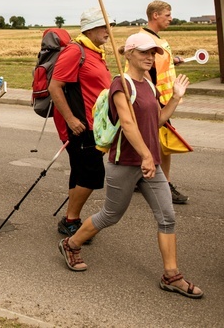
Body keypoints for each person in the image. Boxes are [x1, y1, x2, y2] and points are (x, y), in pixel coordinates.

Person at [58, 32, 203, 299]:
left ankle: (171, 275)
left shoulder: (148, 83)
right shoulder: (120, 85)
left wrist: (175, 98)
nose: (150, 57)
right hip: (125, 163)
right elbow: (127, 124)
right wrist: (146, 156)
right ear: (129, 54)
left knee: (167, 217)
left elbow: (157, 120)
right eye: (145, 52)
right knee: (111, 215)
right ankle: (71, 243)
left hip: (150, 163)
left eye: (153, 53)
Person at [49, 7, 112, 238]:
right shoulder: (75, 51)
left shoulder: (96, 52)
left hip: (96, 125)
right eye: (105, 26)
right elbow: (55, 86)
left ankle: (70, 219)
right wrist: (71, 119)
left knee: (80, 171)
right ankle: (71, 219)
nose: (109, 30)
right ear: (91, 28)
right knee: (93, 175)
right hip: (81, 126)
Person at [141, 0, 189, 204]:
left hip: (164, 100)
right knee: (164, 145)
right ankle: (164, 185)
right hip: (157, 102)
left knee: (155, 143)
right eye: (168, 15)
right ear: (155, 16)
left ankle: (142, 177)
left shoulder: (156, 39)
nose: (171, 18)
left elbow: (158, 65)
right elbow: (144, 71)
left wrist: (173, 60)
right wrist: (155, 101)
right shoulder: (145, 40)